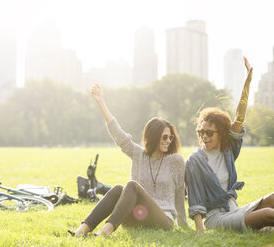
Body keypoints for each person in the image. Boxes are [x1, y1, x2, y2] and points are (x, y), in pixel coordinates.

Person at [69, 84, 188, 237]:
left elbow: (179, 193)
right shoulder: (139, 154)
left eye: (170, 137)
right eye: (164, 137)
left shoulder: (175, 161)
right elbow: (119, 135)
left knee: (131, 185)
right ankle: (82, 230)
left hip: (164, 220)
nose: (168, 141)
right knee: (119, 188)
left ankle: (106, 231)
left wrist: (183, 224)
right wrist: (101, 102)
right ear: (153, 137)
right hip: (137, 217)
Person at [185, 57, 274, 233]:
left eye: (209, 132)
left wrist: (247, 83)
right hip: (216, 219)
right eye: (201, 132)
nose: (205, 136)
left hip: (236, 209)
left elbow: (239, 118)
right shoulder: (194, 160)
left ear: (221, 134)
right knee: (269, 215)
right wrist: (200, 232)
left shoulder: (228, 151)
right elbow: (194, 198)